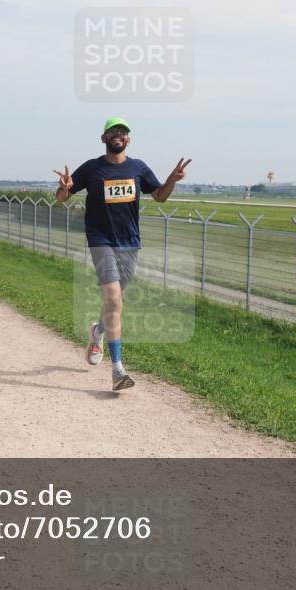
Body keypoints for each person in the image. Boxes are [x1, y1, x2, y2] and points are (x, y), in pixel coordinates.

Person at [54, 118, 191, 391]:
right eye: (113, 131)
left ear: (128, 139)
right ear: (103, 138)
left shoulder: (138, 168)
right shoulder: (92, 168)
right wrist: (65, 188)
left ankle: (97, 332)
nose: (118, 135)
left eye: (123, 132)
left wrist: (171, 181)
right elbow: (61, 198)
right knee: (114, 300)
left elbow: (160, 196)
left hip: (130, 243)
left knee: (115, 303)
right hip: (100, 240)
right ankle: (118, 370)